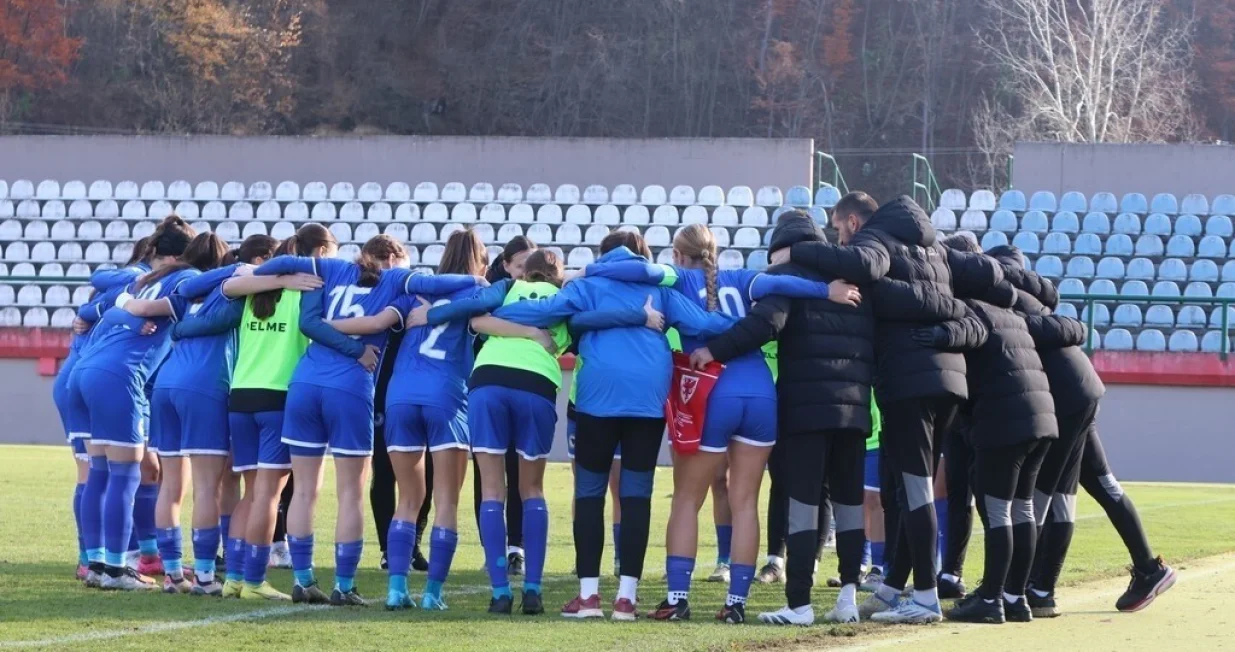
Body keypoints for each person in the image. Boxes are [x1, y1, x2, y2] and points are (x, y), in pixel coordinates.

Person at [582, 222, 853, 624]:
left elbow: (635, 271)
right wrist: (825, 290)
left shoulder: (673, 278)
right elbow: (784, 284)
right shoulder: (742, 278)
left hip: (710, 389)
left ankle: (677, 599)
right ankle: (736, 603)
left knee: (687, 499)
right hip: (760, 393)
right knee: (746, 502)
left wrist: (589, 271)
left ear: (678, 254)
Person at [490, 232, 736, 621]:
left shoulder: (586, 286)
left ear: (603, 257)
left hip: (597, 398)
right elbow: (707, 323)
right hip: (647, 400)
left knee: (589, 492)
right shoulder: (661, 290)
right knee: (636, 495)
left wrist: (493, 313)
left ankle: (589, 597)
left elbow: (540, 312)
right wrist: (754, 323)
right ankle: (626, 599)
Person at [778, 194, 1000, 624]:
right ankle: (894, 586)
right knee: (906, 489)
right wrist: (951, 307)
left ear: (854, 222)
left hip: (908, 379)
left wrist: (799, 251)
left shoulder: (877, 240)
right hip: (950, 379)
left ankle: (926, 597)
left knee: (914, 491)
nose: (841, 240)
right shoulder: (934, 248)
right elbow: (988, 271)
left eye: (840, 229)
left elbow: (864, 267)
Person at [252, 234, 482, 606]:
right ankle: (344, 585)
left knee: (304, 490)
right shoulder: (397, 281)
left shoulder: (329, 268)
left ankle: (303, 579)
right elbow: (426, 290)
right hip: (352, 388)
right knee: (350, 492)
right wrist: (477, 279)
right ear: (392, 259)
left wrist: (291, 286)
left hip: (304, 382)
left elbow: (276, 269)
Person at [689, 211, 887, 625]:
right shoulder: (852, 281)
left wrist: (714, 350)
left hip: (805, 408)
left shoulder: (789, 278)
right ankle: (848, 596)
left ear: (782, 248)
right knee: (849, 502)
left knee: (803, 503)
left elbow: (763, 324)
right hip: (853, 410)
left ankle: (799, 603)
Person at [987, 246, 1176, 616]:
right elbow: (1065, 328)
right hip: (1082, 385)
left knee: (1042, 494)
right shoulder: (1034, 294)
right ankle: (1145, 568)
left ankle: (1028, 588)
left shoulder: (1002, 297)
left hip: (1061, 396)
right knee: (1093, 485)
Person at [323, 229, 496, 611]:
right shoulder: (476, 292)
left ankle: (396, 589)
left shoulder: (413, 290)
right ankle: (432, 594)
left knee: (408, 498)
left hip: (400, 396)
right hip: (446, 395)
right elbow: (495, 297)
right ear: (480, 263)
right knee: (446, 500)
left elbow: (379, 321)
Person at [73, 216, 206, 590]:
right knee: (125, 475)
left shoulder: (142, 280)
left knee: (99, 472)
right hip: (120, 375)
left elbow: (99, 298)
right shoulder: (185, 278)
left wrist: (122, 312)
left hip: (87, 370)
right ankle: (117, 570)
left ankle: (96, 564)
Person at [935, 238, 1056, 625]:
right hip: (1042, 418)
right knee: (1022, 509)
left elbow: (962, 342)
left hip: (1003, 421)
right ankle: (1015, 597)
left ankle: (990, 597)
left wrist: (934, 336)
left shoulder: (969, 310)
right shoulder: (1009, 311)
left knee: (999, 510)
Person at [118, 232, 240, 595]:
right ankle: (204, 576)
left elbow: (143, 307)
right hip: (205, 387)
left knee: (170, 487)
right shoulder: (231, 292)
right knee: (207, 487)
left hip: (166, 385)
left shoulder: (182, 293)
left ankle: (172, 574)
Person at [57, 238, 154, 581]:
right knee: (99, 472)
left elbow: (92, 307)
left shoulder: (118, 290)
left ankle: (115, 556)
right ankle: (98, 559)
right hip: (94, 381)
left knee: (109, 471)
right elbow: (100, 293)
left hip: (87, 379)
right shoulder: (135, 284)